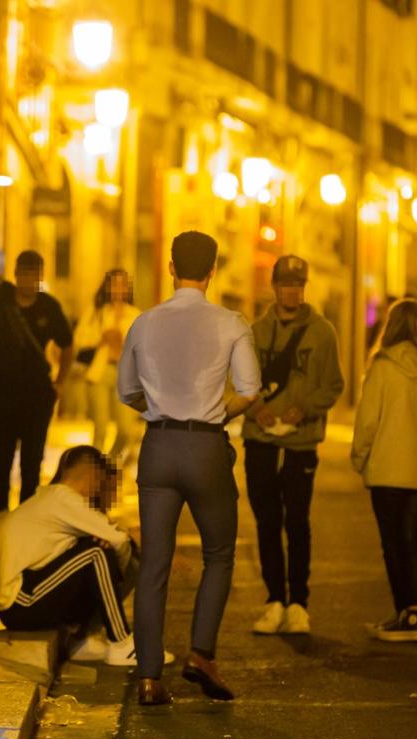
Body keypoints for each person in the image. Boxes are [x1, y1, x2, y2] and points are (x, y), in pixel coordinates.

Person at [118, 231, 261, 706]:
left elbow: (126, 391)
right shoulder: (231, 323)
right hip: (205, 447)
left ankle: (148, 676)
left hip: (158, 447)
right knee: (218, 553)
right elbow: (249, 389)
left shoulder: (144, 322)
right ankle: (201, 653)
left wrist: (159, 407)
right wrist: (216, 412)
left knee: (154, 562)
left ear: (171, 267)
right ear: (213, 270)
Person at [0, 446, 163, 666]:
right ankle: (121, 642)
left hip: (22, 598)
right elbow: (119, 540)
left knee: (93, 548)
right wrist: (120, 571)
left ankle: (82, 640)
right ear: (93, 475)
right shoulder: (64, 499)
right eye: (99, 483)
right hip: (21, 602)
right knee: (96, 553)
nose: (97, 492)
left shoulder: (49, 496)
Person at [241, 255, 344, 636]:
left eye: (299, 285)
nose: (293, 291)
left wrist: (307, 409)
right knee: (267, 520)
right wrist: (257, 410)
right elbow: (240, 381)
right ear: (274, 286)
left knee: (298, 521)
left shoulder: (322, 332)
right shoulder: (254, 331)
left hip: (301, 442)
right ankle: (274, 600)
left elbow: (333, 384)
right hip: (261, 441)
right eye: (286, 284)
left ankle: (299, 601)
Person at [352, 299, 417, 642]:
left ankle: (401, 614)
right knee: (413, 540)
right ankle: (414, 614)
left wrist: (359, 456)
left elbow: (367, 421)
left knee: (392, 543)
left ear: (391, 326)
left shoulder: (382, 366)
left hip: (387, 468)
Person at [0, 250, 74, 512]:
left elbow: (67, 345)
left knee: (32, 458)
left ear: (40, 276)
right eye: (23, 273)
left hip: (36, 394)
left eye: (33, 274)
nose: (28, 280)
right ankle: (0, 510)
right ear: (15, 275)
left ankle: (26, 510)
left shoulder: (49, 307)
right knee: (0, 454)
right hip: (0, 392)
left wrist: (60, 383)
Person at [74, 268, 143, 464]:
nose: (118, 288)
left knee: (125, 430)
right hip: (100, 372)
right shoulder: (97, 311)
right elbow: (79, 337)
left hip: (125, 376)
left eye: (122, 284)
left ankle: (109, 464)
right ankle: (93, 475)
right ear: (107, 287)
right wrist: (101, 337)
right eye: (114, 284)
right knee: (100, 429)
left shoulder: (135, 314)